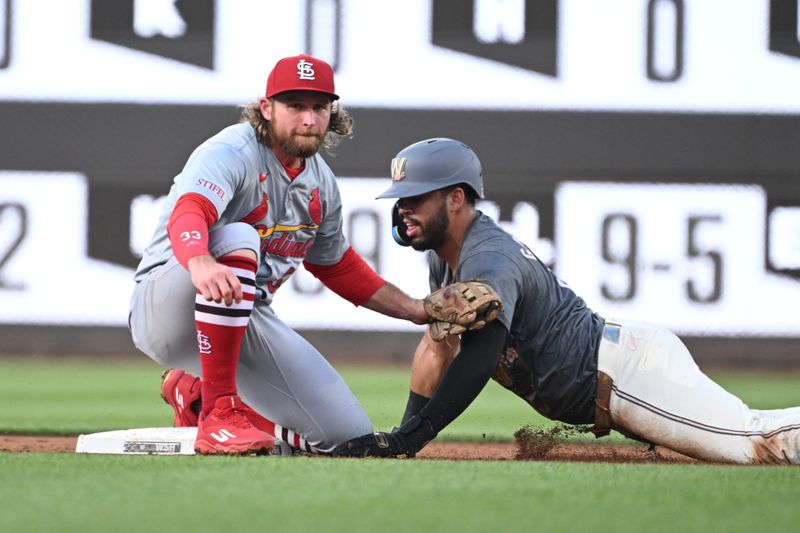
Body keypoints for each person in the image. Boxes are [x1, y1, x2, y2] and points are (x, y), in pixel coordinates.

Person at [332, 137, 800, 465]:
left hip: (629, 375)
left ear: (456, 199)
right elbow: (438, 346)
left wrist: (414, 433)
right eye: (401, 197)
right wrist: (406, 439)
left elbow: (479, 357)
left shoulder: (489, 257)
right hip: (612, 378)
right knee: (749, 436)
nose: (403, 208)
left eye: (416, 196)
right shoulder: (445, 257)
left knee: (753, 442)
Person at [128, 54, 429, 455]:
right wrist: (200, 260)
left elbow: (335, 265)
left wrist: (415, 309)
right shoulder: (233, 152)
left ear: (331, 113)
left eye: (319, 107)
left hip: (239, 320)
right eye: (295, 106)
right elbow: (191, 210)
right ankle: (218, 414)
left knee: (347, 439)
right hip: (168, 304)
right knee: (238, 236)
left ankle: (195, 394)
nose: (308, 119)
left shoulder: (321, 183)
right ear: (266, 109)